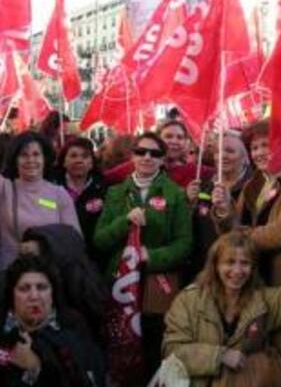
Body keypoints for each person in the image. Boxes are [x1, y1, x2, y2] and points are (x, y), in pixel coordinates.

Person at [212, 119, 281, 383]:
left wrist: (241, 235)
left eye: (266, 145)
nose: (260, 152)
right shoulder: (256, 184)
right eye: (255, 147)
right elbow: (232, 230)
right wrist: (224, 211)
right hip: (256, 289)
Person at [162, 230, 281, 387]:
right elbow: (173, 352)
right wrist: (220, 356)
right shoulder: (188, 301)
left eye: (245, 263)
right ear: (215, 265)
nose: (237, 271)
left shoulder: (262, 300)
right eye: (230, 262)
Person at [94, 131, 193, 382]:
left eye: (155, 153)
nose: (147, 157)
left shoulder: (175, 194)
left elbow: (184, 244)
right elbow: (100, 240)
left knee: (152, 351)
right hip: (121, 287)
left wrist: (152, 255)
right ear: (132, 156)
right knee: (120, 351)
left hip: (155, 289)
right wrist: (124, 222)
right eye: (141, 152)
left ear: (162, 159)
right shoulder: (115, 192)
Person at [0, 255, 105, 387]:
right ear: (12, 295)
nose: (34, 296)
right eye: (24, 288)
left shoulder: (71, 324)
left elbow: (88, 378)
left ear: (53, 293)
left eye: (42, 287)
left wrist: (36, 368)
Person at [0, 97, 81, 275]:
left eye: (36, 154)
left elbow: (74, 238)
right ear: (15, 159)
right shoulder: (3, 189)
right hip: (11, 275)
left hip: (51, 276)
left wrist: (43, 246)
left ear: (45, 159)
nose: (31, 160)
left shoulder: (59, 194)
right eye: (24, 155)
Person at [185, 130, 252, 282]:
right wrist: (189, 203)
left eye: (230, 151)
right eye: (218, 152)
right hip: (203, 269)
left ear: (245, 157)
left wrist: (226, 210)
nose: (222, 156)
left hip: (238, 273)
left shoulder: (254, 187)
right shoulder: (204, 184)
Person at [52, 137, 109, 271]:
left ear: (91, 163)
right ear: (64, 161)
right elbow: (43, 204)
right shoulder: (52, 185)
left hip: (93, 259)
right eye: (73, 156)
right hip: (59, 254)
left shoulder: (103, 188)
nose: (79, 160)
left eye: (84, 156)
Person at [104, 121, 214, 188]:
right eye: (168, 136)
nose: (174, 141)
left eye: (180, 137)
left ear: (186, 142)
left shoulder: (194, 170)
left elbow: (220, 175)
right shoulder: (139, 165)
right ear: (157, 139)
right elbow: (104, 179)